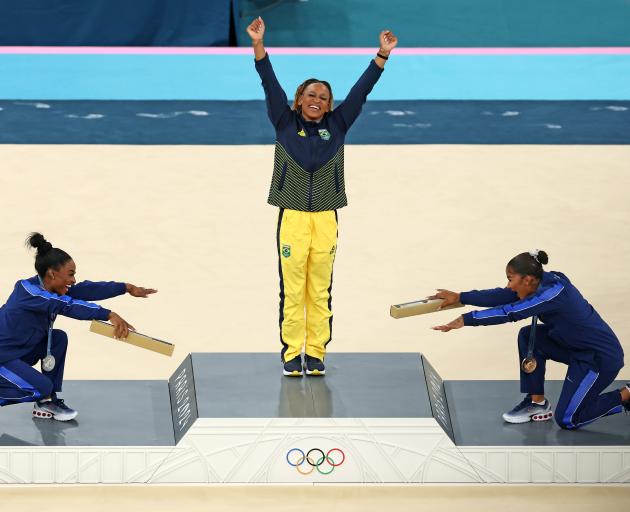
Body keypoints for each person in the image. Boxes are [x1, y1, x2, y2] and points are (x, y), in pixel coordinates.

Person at [246, 16, 398, 377]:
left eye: (323, 97)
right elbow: (269, 84)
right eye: (311, 95)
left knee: (320, 290)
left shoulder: (338, 125)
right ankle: (289, 353)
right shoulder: (284, 121)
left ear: (330, 106)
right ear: (299, 100)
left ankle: (315, 353)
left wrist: (381, 55)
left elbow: (361, 92)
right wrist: (258, 46)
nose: (317, 100)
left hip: (327, 217)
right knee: (293, 288)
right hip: (293, 218)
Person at [431, 250, 629, 428]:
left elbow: (509, 312)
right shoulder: (541, 281)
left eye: (510, 279)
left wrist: (466, 320)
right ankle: (537, 404)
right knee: (528, 336)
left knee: (569, 419)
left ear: (527, 280)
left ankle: (625, 395)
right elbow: (503, 295)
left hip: (598, 359)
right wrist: (460, 297)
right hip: (574, 348)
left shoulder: (551, 294)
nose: (509, 285)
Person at [0, 233, 157, 421]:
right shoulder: (28, 291)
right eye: (71, 274)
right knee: (41, 387)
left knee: (58, 338)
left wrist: (126, 287)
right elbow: (66, 305)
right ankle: (43, 393)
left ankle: (46, 402)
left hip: (18, 351)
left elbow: (86, 289)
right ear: (51, 274)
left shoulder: (52, 287)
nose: (74, 280)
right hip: (3, 355)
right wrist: (109, 315)